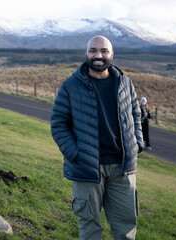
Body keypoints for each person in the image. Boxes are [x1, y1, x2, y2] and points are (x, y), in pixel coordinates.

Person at [51, 36, 144, 240]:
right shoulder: (71, 85)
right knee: (90, 228)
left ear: (112, 54)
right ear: (86, 54)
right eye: (93, 50)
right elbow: (58, 124)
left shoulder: (125, 83)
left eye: (104, 51)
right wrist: (76, 154)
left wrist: (137, 143)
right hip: (87, 168)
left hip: (122, 168)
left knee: (126, 229)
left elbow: (136, 115)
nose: (98, 55)